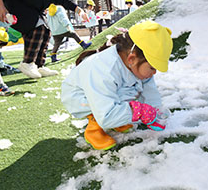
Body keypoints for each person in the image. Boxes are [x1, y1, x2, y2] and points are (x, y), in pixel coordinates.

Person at [61, 21, 173, 150]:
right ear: (132, 59)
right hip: (81, 99)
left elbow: (149, 89)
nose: (154, 73)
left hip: (105, 94)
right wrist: (138, 111)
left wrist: (156, 111)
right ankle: (94, 128)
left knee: (131, 91)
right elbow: (106, 113)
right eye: (152, 67)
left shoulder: (134, 64)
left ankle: (119, 118)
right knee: (121, 99)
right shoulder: (104, 71)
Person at [0, 0, 89, 79]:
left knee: (46, 31)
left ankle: (39, 65)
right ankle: (27, 63)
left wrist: (78, 10)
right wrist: (0, 4)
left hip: (35, 9)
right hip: (16, 4)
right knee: (38, 28)